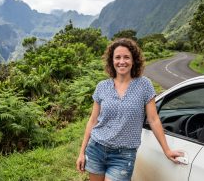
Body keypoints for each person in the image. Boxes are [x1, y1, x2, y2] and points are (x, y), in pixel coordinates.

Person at [76, 38, 182, 181]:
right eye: (117, 57)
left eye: (126, 57)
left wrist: (166, 150)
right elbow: (93, 120)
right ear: (112, 61)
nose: (122, 61)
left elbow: (153, 119)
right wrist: (82, 152)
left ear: (134, 60)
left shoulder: (144, 85)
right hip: (96, 148)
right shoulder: (102, 86)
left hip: (123, 155)